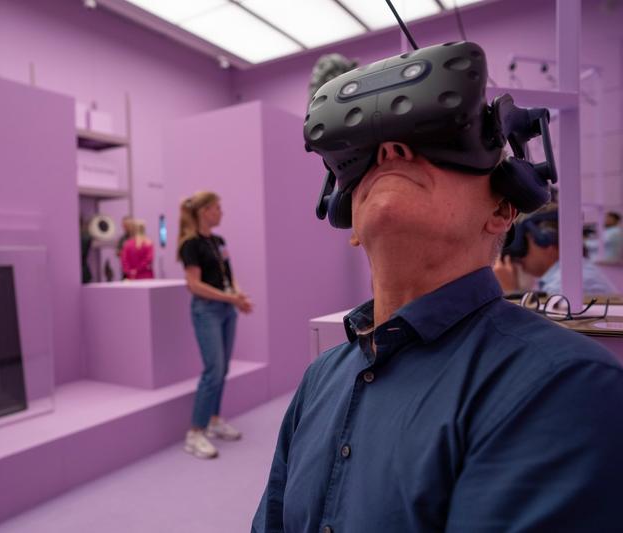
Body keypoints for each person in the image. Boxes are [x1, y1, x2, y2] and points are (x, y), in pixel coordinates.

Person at [253, 46, 623, 532]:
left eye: (430, 140)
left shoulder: (566, 385)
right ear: (353, 222)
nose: (391, 152)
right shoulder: (319, 379)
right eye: (367, 154)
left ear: (502, 210)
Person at [177, 191, 253, 459]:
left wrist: (238, 296)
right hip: (207, 311)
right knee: (213, 370)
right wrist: (232, 298)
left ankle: (214, 420)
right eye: (217, 208)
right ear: (204, 211)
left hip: (226, 310)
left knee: (223, 369)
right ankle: (195, 433)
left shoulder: (219, 241)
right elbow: (194, 285)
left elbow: (229, 277)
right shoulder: (190, 244)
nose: (221, 212)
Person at [494, 203, 618, 295]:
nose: (517, 253)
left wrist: (509, 291)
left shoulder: (567, 283)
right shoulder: (567, 275)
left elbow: (541, 324)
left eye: (523, 242)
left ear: (547, 239)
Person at [116, 215, 136, 279]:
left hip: (139, 271)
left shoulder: (138, 238)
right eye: (124, 225)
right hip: (126, 271)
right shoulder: (122, 239)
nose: (125, 227)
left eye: (127, 225)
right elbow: (118, 252)